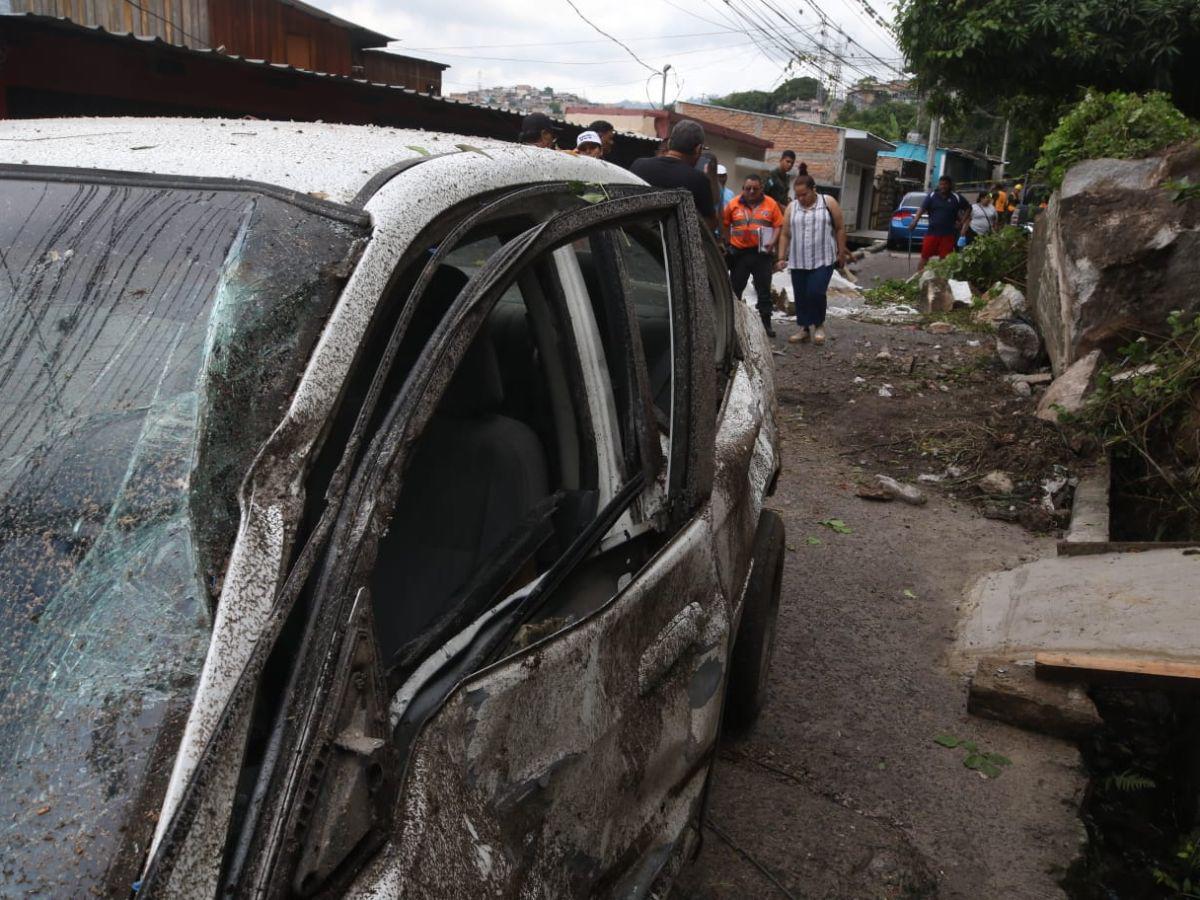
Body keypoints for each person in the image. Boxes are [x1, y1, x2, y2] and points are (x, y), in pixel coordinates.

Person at [774, 172, 850, 345]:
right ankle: (804, 329)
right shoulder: (792, 208)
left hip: (823, 258)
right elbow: (785, 234)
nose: (800, 198)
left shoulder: (828, 202)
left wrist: (841, 252)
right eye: (797, 195)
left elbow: (839, 228)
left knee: (816, 292)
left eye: (804, 194)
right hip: (798, 259)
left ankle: (819, 325)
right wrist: (780, 257)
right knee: (801, 295)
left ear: (813, 189)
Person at [631, 120, 718, 234]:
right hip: (670, 250)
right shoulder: (698, 180)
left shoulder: (638, 165)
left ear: (669, 143)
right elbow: (709, 226)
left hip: (634, 243)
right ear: (698, 149)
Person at [724, 174, 785, 337]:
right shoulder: (733, 204)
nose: (751, 191)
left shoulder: (771, 204)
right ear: (743, 189)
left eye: (755, 189)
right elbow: (724, 223)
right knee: (735, 290)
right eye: (747, 188)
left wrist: (772, 242)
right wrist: (726, 243)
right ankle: (732, 325)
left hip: (762, 255)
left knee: (764, 291)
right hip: (739, 255)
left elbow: (779, 225)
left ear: (761, 189)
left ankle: (766, 325)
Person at [909, 175, 969, 270]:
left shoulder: (956, 197)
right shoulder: (932, 196)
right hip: (932, 233)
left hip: (948, 235)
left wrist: (961, 222)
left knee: (944, 260)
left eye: (945, 184)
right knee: (924, 257)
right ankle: (917, 278)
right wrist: (915, 221)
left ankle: (941, 281)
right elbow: (922, 209)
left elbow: (968, 208)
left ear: (949, 185)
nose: (942, 186)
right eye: (941, 184)